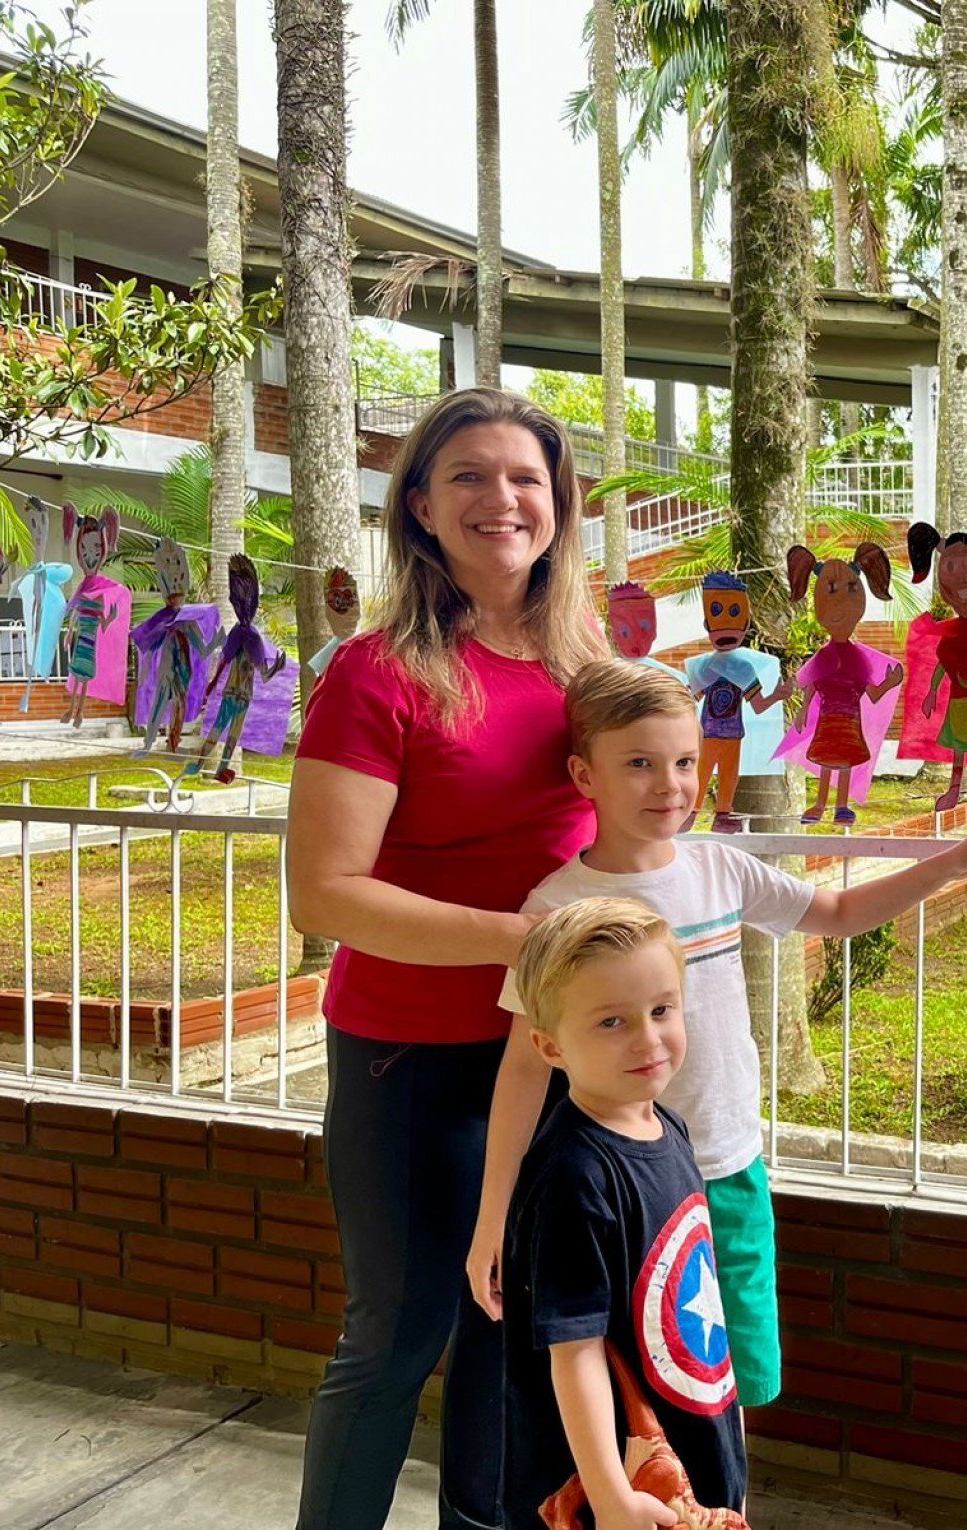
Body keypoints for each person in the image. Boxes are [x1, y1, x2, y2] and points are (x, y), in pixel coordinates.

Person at [468, 657, 967, 1418]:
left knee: (730, 1384)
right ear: (584, 774)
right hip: (616, 1185)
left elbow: (834, 911)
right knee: (637, 1389)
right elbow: (525, 1070)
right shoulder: (557, 906)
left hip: (728, 1168)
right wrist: (494, 1214)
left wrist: (953, 863)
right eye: (639, 764)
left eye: (686, 762)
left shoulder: (721, 870)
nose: (670, 785)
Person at [288, 387, 609, 1529]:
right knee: (397, 1336)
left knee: (513, 1332)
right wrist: (531, 943)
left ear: (560, 505)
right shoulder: (377, 673)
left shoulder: (584, 668)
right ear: (419, 507)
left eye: (525, 477)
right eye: (467, 476)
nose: (501, 500)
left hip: (554, 1052)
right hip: (412, 1063)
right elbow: (325, 895)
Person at [501, 897, 745, 1530]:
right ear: (550, 1046)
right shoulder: (573, 1176)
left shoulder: (669, 1128)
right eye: (611, 1022)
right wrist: (611, 1500)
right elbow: (574, 1351)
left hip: (689, 1463)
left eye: (661, 1009)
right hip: (616, 1492)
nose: (648, 1038)